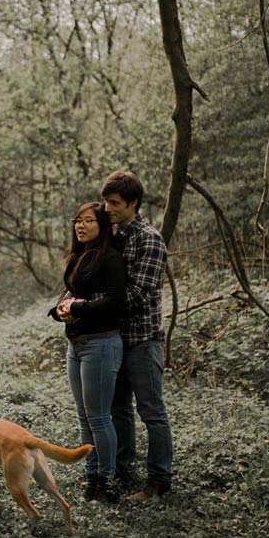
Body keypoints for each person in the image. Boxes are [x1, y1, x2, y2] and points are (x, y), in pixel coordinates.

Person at [100, 170, 173, 502]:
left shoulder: (149, 239)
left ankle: (158, 482)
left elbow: (140, 293)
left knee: (151, 411)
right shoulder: (110, 234)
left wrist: (93, 307)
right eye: (105, 202)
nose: (107, 208)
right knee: (118, 411)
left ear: (133, 203)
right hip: (114, 340)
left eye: (114, 203)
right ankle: (122, 471)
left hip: (142, 341)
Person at [50, 202, 126, 505]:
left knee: (99, 418)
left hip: (101, 344)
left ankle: (107, 482)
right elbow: (68, 294)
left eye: (88, 221)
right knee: (84, 417)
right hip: (76, 345)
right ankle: (92, 477)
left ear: (102, 225)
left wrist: (79, 308)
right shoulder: (78, 256)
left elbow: (116, 301)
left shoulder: (110, 258)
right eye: (77, 221)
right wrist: (59, 310)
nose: (80, 226)